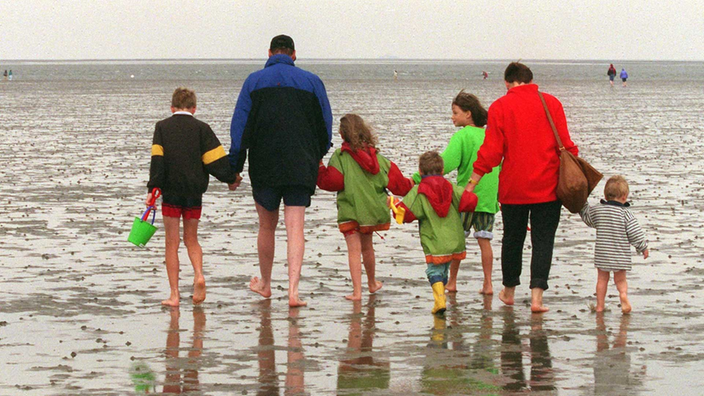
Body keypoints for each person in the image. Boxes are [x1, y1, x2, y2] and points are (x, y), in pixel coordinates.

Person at [465, 62, 579, 313]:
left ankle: (509, 291)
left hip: (514, 188)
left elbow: (492, 152)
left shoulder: (500, 106)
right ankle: (537, 299)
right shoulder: (552, 103)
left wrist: (472, 183)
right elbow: (568, 146)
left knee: (512, 239)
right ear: (530, 79)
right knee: (543, 241)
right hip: (548, 187)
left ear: (507, 82)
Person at [229, 35, 333, 307]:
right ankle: (293, 292)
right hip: (301, 162)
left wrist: (234, 167)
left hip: (264, 163)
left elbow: (240, 128)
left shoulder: (253, 81)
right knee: (295, 227)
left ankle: (265, 284)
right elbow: (325, 125)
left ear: (269, 53)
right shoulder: (312, 81)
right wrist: (317, 154)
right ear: (294, 55)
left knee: (267, 226)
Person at [147, 87, 241, 307]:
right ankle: (198, 274)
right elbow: (214, 160)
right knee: (192, 239)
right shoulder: (202, 129)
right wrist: (230, 178)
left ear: (172, 108)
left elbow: (157, 161)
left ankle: (174, 295)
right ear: (194, 108)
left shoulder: (162, 127)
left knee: (172, 242)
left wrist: (153, 189)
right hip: (194, 192)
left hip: (171, 191)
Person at [317, 114, 413, 300]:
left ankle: (357, 292)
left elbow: (332, 182)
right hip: (371, 211)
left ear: (342, 134)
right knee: (367, 248)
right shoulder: (378, 158)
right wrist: (414, 183)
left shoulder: (341, 156)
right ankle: (371, 283)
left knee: (354, 250)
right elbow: (397, 183)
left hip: (350, 210)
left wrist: (319, 168)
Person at [412, 91, 499, 295]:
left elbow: (446, 163)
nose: (452, 117)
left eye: (455, 113)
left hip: (465, 197)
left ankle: (452, 281)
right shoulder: (490, 135)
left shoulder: (462, 136)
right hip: (487, 197)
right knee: (484, 240)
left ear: (468, 114)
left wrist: (418, 178)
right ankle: (488, 284)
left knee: (456, 240)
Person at [391, 151, 478, 315]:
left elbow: (405, 215)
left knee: (434, 271)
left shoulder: (419, 191)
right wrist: (471, 187)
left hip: (433, 239)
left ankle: (439, 301)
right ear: (442, 169)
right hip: (454, 239)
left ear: (420, 171)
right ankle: (441, 297)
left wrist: (394, 205)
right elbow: (469, 202)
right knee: (444, 270)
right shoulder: (450, 187)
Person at [579, 175, 649, 314]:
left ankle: (599, 306)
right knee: (621, 280)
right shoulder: (625, 214)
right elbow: (635, 232)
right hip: (620, 255)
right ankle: (623, 295)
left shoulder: (598, 210)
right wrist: (643, 247)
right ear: (624, 197)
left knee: (602, 280)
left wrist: (582, 204)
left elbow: (587, 217)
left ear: (606, 195)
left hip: (603, 254)